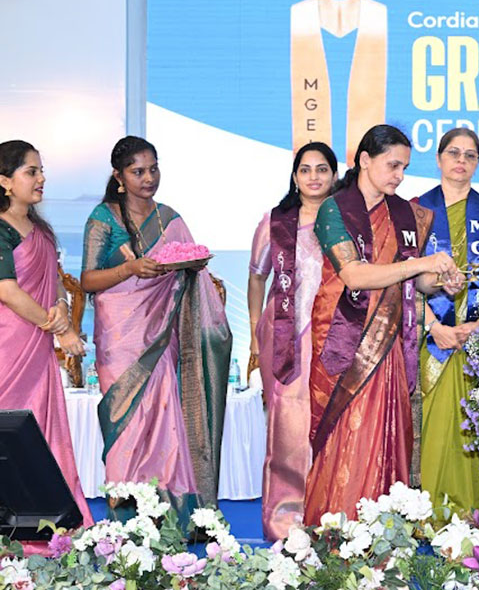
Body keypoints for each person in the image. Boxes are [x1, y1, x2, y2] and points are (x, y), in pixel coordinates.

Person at [303, 124, 463, 523]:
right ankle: (339, 533)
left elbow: (416, 282)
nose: (399, 175)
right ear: (364, 160)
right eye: (393, 165)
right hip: (347, 341)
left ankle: (384, 535)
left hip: (392, 344)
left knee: (389, 437)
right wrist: (421, 264)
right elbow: (354, 275)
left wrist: (441, 281)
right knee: (347, 439)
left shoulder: (407, 213)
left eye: (404, 167)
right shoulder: (334, 210)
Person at [81, 136, 231, 522]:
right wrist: (129, 268)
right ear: (119, 176)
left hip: (163, 332)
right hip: (121, 335)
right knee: (126, 421)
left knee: (165, 414)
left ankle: (171, 512)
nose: (148, 178)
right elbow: (88, 280)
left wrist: (196, 270)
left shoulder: (169, 217)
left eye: (153, 169)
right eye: (137, 172)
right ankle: (127, 514)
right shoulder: (103, 218)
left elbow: (188, 266)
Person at [0, 140, 94, 535]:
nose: (41, 178)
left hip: (37, 349)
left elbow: (54, 281)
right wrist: (59, 327)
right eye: (31, 171)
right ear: (5, 181)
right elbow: (7, 291)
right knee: (10, 429)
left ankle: (52, 525)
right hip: (8, 348)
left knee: (42, 429)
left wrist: (60, 307)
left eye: (41, 170)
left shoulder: (41, 230)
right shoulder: (1, 230)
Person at [249, 142, 338, 541]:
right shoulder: (275, 221)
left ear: (334, 175)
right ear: (295, 176)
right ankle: (285, 520)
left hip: (333, 337)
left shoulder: (346, 220)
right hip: (285, 336)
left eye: (322, 169)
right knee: (287, 426)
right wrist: (256, 330)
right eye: (305, 169)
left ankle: (326, 514)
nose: (314, 177)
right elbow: (257, 276)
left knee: (327, 425)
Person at [415, 128, 479, 514]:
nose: (461, 161)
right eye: (453, 152)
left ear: (478, 162)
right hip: (431, 336)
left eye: (470, 155)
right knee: (435, 427)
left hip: (478, 338)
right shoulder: (415, 211)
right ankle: (430, 509)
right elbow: (401, 279)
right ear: (438, 158)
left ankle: (475, 510)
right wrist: (434, 326)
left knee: (473, 423)